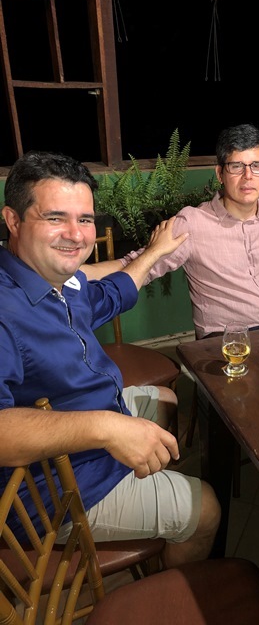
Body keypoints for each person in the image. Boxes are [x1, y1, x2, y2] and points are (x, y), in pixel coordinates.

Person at [0, 151, 220, 569]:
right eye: (55, 217)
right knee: (207, 508)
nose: (75, 234)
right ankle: (165, 581)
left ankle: (153, 503)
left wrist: (154, 252)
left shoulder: (57, 280)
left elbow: (115, 292)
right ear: (13, 220)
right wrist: (107, 427)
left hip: (88, 425)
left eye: (84, 219)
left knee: (167, 399)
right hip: (52, 486)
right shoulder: (5, 307)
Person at [83, 124, 259, 338]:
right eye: (236, 166)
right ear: (220, 174)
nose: (248, 176)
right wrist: (75, 275)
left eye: (256, 166)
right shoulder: (192, 223)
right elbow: (134, 265)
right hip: (226, 337)